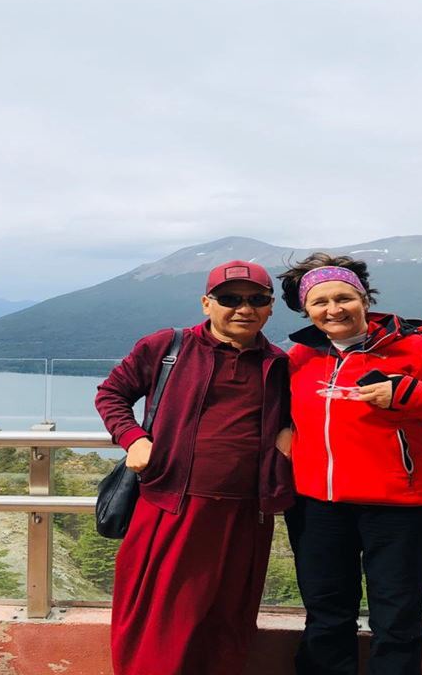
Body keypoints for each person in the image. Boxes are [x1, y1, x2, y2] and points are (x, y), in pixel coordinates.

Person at [277, 252, 422, 675]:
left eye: (344, 298)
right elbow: (279, 411)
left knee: (397, 622)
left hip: (401, 507)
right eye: (320, 302)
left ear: (364, 300)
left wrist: (409, 394)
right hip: (318, 506)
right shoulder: (299, 358)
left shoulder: (414, 348)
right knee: (325, 616)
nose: (333, 310)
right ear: (306, 309)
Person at [95, 259, 295, 675]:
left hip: (246, 513)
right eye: (229, 299)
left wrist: (292, 431)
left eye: (256, 299)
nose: (244, 309)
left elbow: (313, 411)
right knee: (159, 621)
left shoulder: (278, 364)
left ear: (271, 307)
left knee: (226, 623)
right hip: (171, 505)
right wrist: (133, 438)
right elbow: (112, 394)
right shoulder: (168, 347)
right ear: (207, 303)